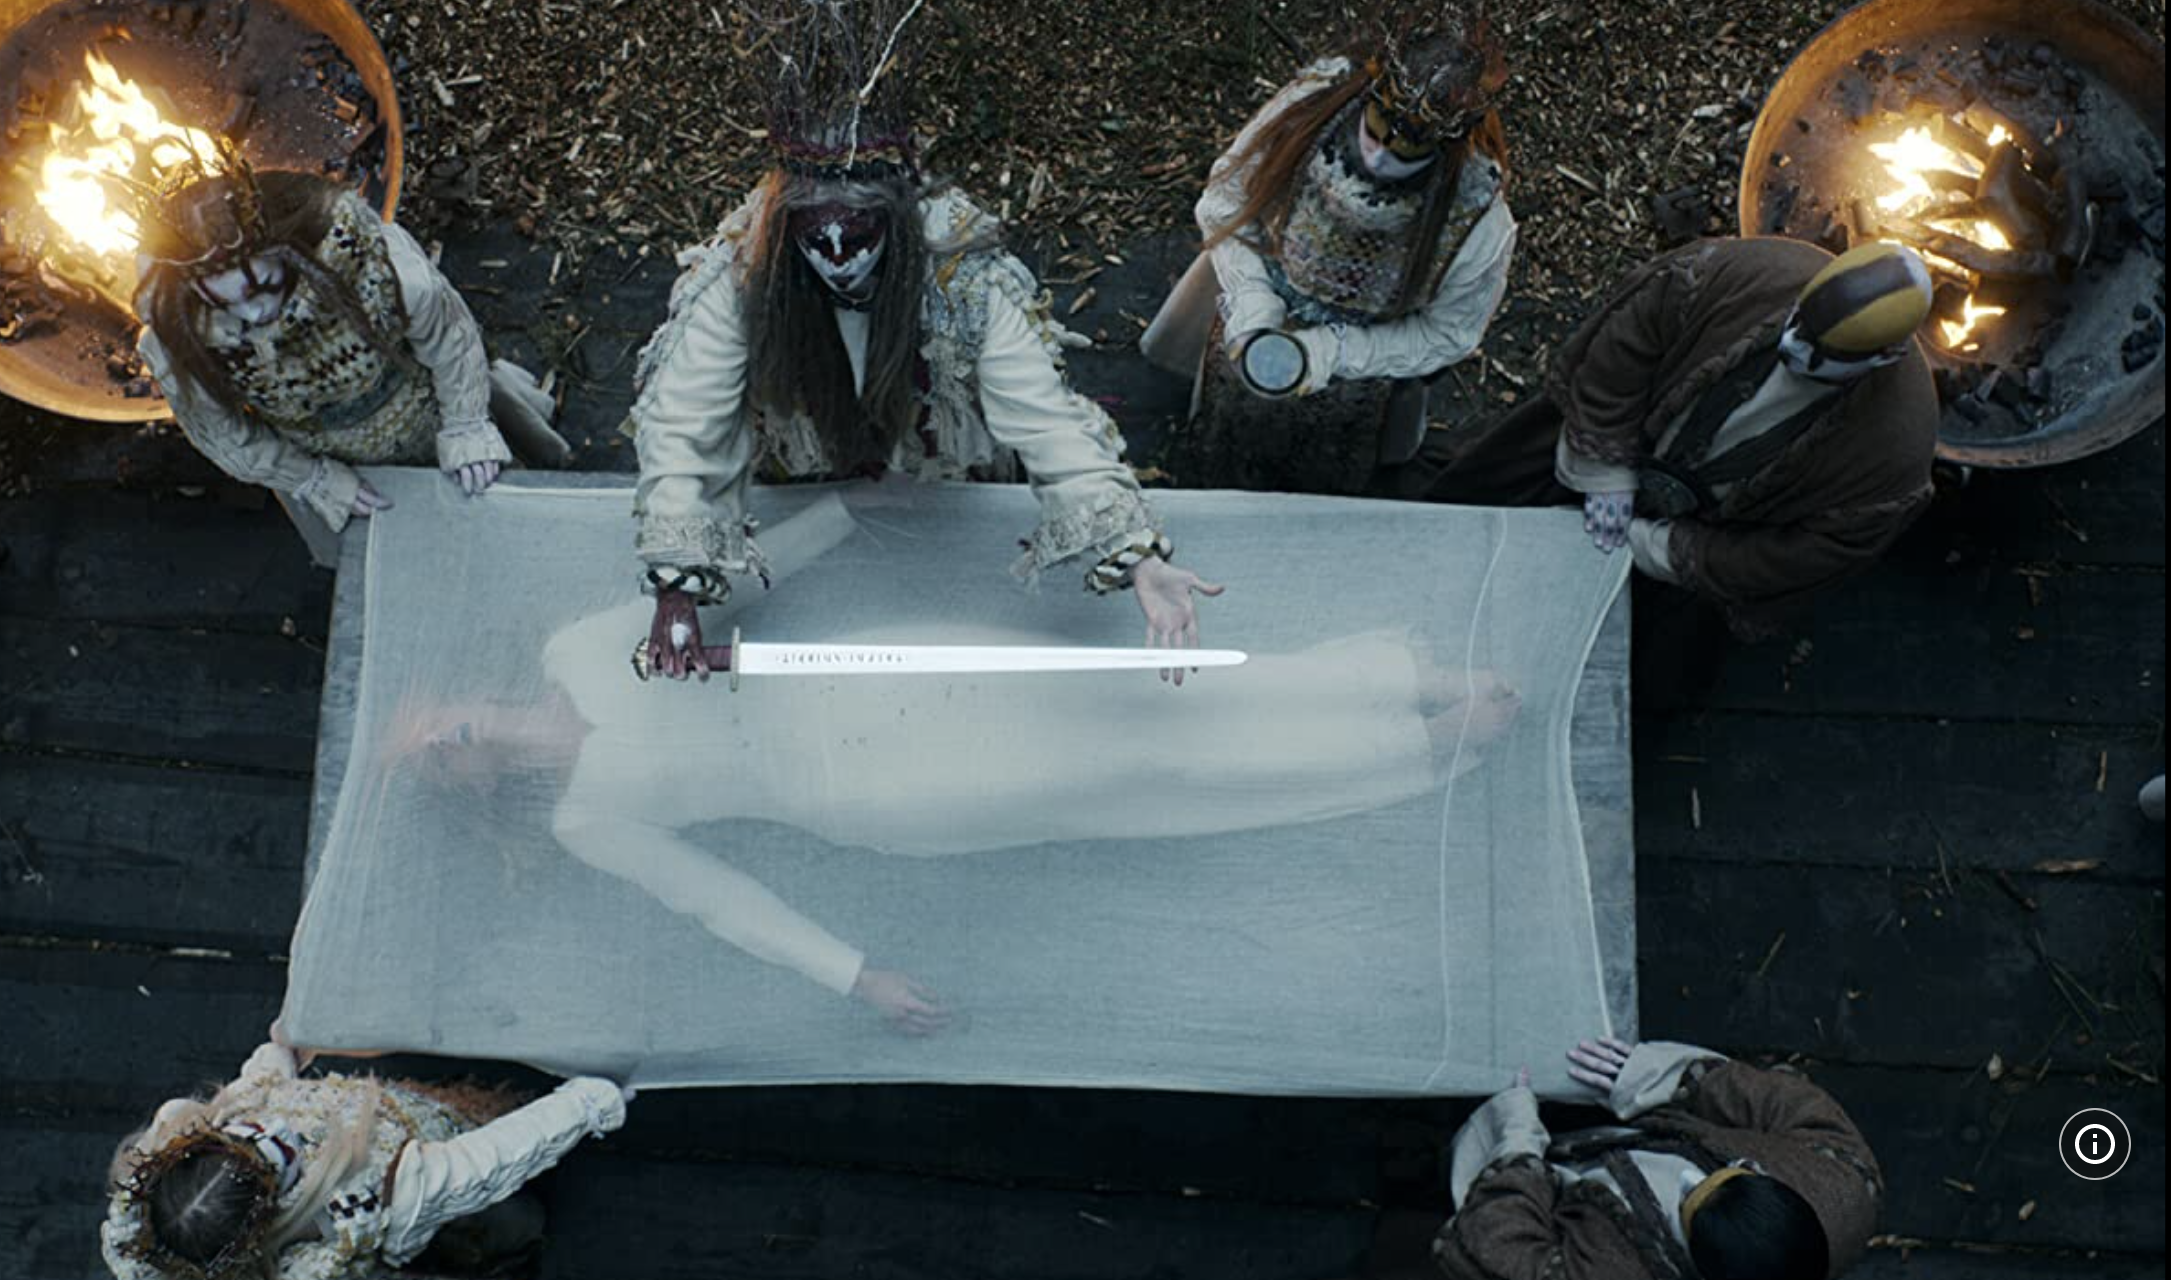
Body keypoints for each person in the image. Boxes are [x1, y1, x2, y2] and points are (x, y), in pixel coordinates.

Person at [383, 499, 1520, 1035]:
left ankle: (1400, 681)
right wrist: (855, 975)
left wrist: (840, 512)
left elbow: (721, 586)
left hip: (880, 675)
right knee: (1134, 776)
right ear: (472, 790)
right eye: (435, 762)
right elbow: (718, 901)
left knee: (1141, 689)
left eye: (434, 722)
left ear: (461, 690)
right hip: (877, 792)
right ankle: (1407, 745)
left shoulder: (577, 649)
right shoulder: (586, 820)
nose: (446, 740)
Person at [625, 0, 1217, 683]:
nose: (837, 258)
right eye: (815, 238)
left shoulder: (965, 278)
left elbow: (1046, 418)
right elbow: (684, 423)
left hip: (943, 480)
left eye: (859, 236)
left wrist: (1137, 557)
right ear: (789, 227)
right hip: (803, 474)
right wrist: (677, 586)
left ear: (896, 221)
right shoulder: (741, 272)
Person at [1428, 238, 1939, 639]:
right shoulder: (1743, 274)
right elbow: (1626, 344)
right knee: (1466, 516)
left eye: (1823, 354)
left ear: (1885, 358)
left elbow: (1803, 553)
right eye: (1798, 324)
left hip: (1700, 544)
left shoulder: (1893, 451)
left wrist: (1660, 548)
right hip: (1610, 451)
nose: (1793, 348)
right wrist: (1604, 471)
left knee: (1624, 644)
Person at [1140, 10, 1515, 486]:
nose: (1381, 152)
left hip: (1359, 381)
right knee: (1224, 441)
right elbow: (1226, 199)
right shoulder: (1310, 109)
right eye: (1377, 127)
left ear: (1447, 143)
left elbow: (1449, 333)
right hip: (1253, 324)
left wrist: (1334, 352)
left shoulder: (1475, 219)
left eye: (1409, 145)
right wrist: (1253, 299)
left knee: (1321, 470)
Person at [133, 153, 568, 561]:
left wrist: (465, 424)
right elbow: (223, 433)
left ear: (293, 250)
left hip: (425, 414)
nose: (253, 313)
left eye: (264, 286)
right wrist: (312, 478)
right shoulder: (183, 338)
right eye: (227, 303)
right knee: (403, 553)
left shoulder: (378, 270)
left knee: (505, 518)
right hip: (330, 460)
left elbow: (450, 339)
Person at [100, 1038, 630, 1279]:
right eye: (281, 1155)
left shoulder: (210, 1144)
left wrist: (286, 1043)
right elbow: (486, 1161)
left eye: (245, 1132)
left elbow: (258, 1083)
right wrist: (585, 1103)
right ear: (274, 1213)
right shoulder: (374, 1194)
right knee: (514, 1221)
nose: (275, 1127)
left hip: (390, 1118)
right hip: (435, 1188)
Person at [1435, 1037, 1882, 1280]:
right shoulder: (1844, 1190)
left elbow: (1500, 1249)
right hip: (1642, 1131)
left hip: (1564, 1185)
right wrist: (1657, 1079)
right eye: (1741, 1171)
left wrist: (1516, 1139)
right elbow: (1797, 1108)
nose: (1688, 1176)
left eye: (1687, 1201)